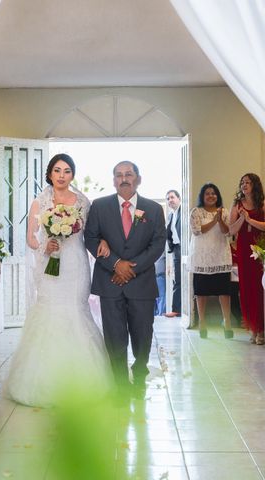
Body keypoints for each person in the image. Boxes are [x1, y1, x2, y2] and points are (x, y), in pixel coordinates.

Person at [6, 154, 112, 407]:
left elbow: (94, 233)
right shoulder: (40, 201)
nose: (62, 175)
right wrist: (45, 244)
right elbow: (30, 237)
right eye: (57, 170)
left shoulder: (83, 202)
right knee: (50, 311)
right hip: (50, 263)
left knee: (75, 310)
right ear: (50, 174)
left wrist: (105, 241)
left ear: (72, 175)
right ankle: (41, 381)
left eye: (66, 171)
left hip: (75, 264)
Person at [85, 161, 166, 400]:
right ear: (113, 180)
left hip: (141, 284)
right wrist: (115, 265)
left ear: (138, 179)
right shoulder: (99, 206)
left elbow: (158, 243)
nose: (124, 179)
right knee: (115, 336)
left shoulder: (152, 209)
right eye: (119, 175)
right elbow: (90, 238)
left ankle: (139, 373)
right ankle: (120, 383)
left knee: (143, 335)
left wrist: (132, 268)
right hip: (110, 282)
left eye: (128, 174)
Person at [229, 173, 265, 345]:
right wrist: (242, 218)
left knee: (259, 288)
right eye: (242, 182)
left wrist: (251, 220)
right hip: (243, 248)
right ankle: (252, 328)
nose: (244, 185)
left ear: (255, 184)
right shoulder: (237, 204)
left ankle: (262, 328)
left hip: (260, 248)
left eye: (248, 182)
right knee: (246, 288)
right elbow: (231, 231)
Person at [189, 183, 233, 339]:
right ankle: (202, 322)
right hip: (202, 257)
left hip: (220, 255)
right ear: (202, 196)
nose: (211, 196)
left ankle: (227, 322)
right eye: (207, 193)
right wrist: (214, 220)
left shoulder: (224, 211)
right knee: (201, 292)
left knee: (224, 291)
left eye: (214, 193)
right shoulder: (196, 212)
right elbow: (197, 231)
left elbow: (228, 232)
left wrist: (220, 220)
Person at [165, 189, 182, 317]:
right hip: (176, 249)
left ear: (178, 198)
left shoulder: (184, 212)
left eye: (172, 197)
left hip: (185, 249)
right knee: (177, 280)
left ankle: (180, 310)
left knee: (185, 280)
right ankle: (176, 309)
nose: (170, 200)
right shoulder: (171, 215)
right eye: (168, 198)